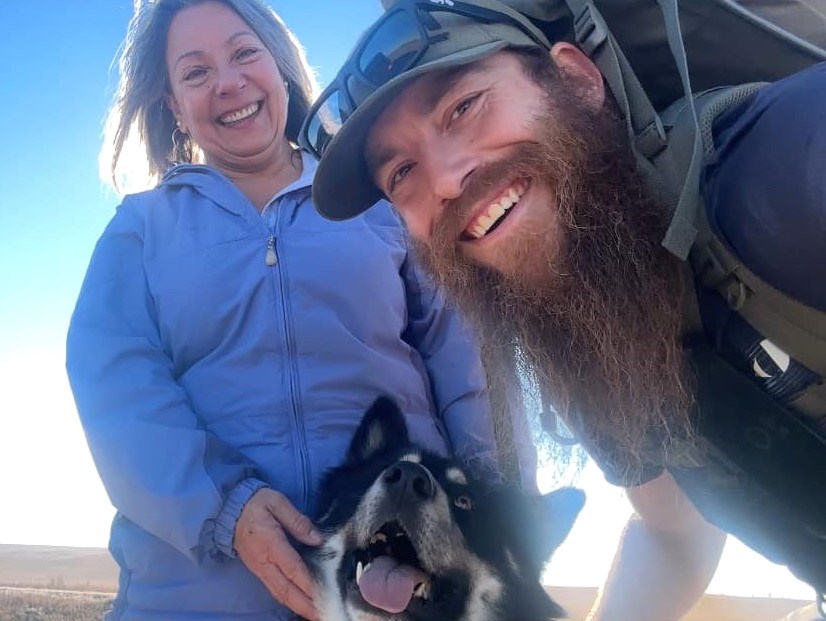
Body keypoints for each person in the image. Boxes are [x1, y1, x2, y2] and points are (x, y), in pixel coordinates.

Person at [304, 1, 826, 620]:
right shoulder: (592, 338)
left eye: (464, 107)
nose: (444, 179)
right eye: (402, 173)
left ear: (577, 79)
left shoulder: (781, 169)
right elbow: (674, 537)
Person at [66, 1, 502, 619]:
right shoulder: (141, 229)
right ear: (172, 103)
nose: (228, 83)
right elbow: (115, 389)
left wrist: (494, 503)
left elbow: (469, 365)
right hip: (192, 596)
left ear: (279, 65)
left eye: (245, 53)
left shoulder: (380, 202)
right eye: (195, 72)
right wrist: (225, 507)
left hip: (402, 588)